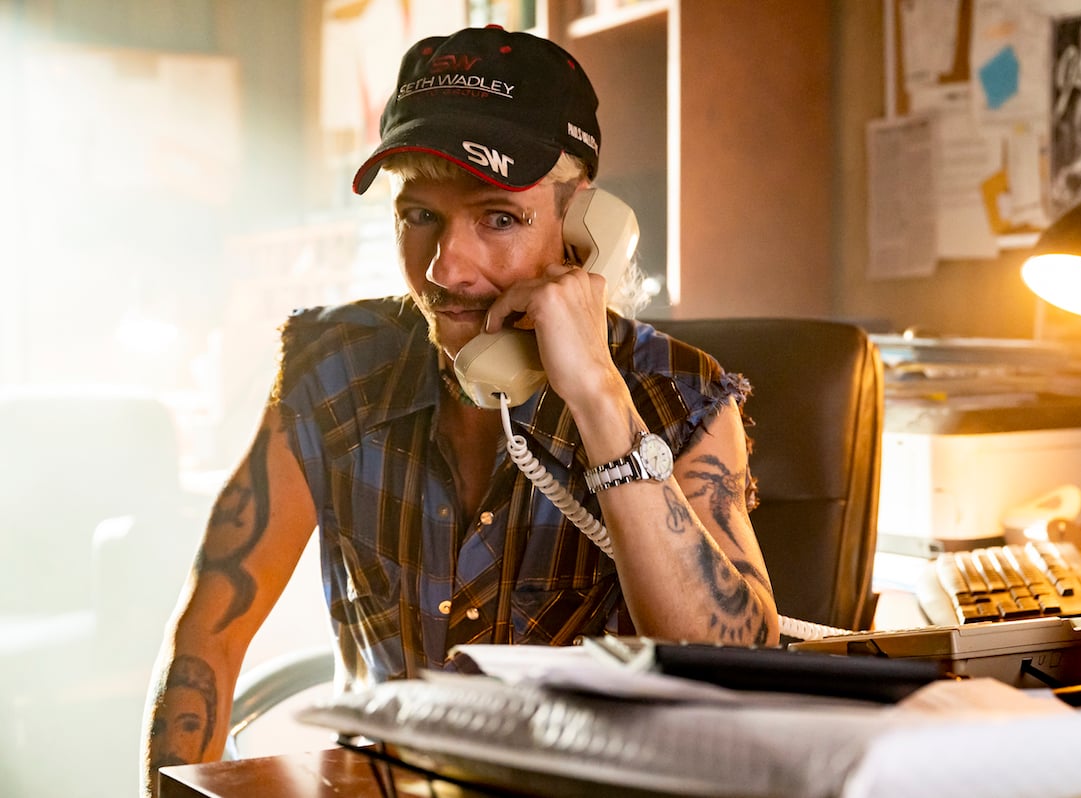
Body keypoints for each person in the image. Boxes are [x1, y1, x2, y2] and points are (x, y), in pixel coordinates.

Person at [140, 24, 777, 795]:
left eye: (498, 218)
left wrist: (602, 402)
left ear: (585, 227)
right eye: (419, 218)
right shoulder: (333, 368)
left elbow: (735, 677)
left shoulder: (681, 396)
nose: (446, 268)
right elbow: (209, 636)